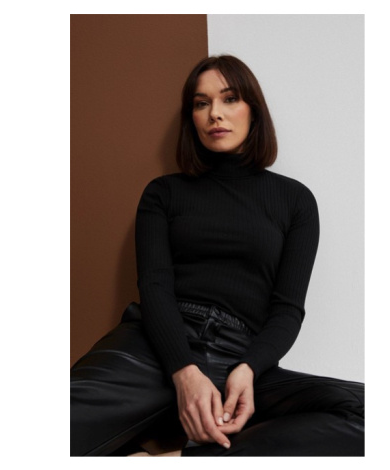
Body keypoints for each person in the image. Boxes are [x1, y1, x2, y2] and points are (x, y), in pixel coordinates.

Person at [70, 55, 364, 457]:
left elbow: (287, 310)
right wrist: (183, 371)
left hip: (242, 358)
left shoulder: (295, 201)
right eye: (201, 103)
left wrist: (249, 369)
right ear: (191, 117)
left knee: (369, 412)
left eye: (229, 99)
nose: (215, 114)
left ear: (253, 111)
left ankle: (180, 460)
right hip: (153, 346)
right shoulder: (163, 193)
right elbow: (154, 287)